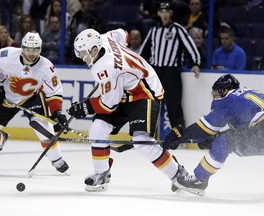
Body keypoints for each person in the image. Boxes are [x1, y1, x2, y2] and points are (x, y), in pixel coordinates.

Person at [67, 28, 188, 192]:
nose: (82, 57)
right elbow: (123, 34)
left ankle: (178, 175)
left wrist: (84, 107)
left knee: (142, 142)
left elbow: (109, 104)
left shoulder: (105, 68)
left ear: (94, 49)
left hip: (145, 92)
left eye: (83, 53)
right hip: (125, 90)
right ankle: (101, 173)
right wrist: (121, 70)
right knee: (97, 129)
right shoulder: (102, 38)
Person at [0, 32, 69, 174]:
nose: (32, 53)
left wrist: (57, 112)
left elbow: (54, 91)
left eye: (36, 49)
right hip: (6, 97)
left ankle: (56, 159)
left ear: (40, 49)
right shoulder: (6, 55)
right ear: (22, 47)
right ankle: (1, 139)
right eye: (28, 48)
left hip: (32, 97)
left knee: (44, 128)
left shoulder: (46, 66)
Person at [163, 74, 264, 196]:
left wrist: (181, 135)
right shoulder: (248, 94)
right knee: (226, 138)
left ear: (225, 90)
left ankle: (199, 180)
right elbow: (245, 129)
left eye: (216, 92)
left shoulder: (229, 99)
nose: (215, 96)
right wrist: (212, 138)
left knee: (226, 141)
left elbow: (203, 129)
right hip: (259, 129)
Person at [139, 1, 201, 129]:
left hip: (171, 72)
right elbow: (143, 50)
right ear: (158, 13)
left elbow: (190, 47)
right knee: (152, 103)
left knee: (173, 104)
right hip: (155, 72)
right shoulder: (154, 30)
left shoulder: (177, 29)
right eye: (162, 12)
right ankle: (147, 132)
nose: (165, 14)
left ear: (171, 13)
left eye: (167, 12)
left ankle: (178, 135)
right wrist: (138, 66)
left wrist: (195, 63)